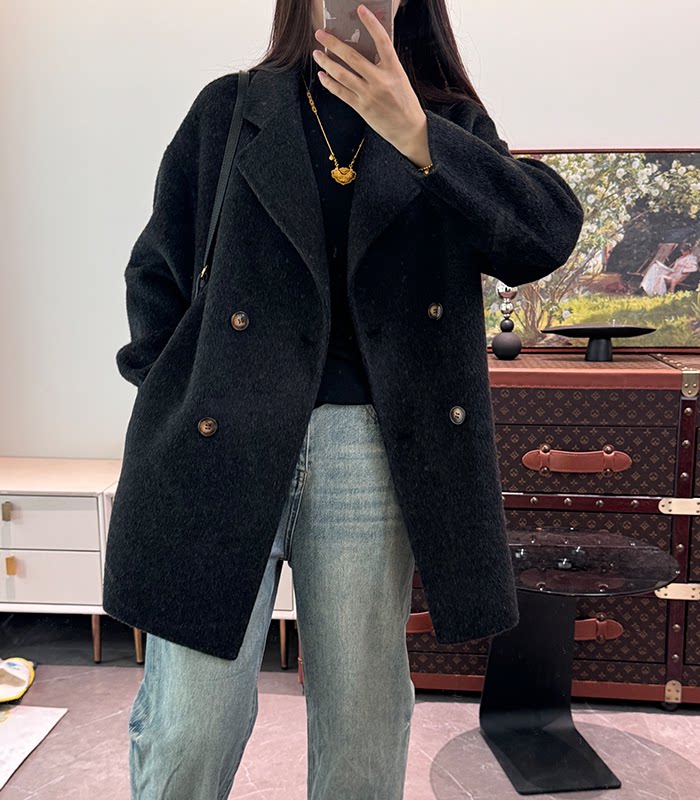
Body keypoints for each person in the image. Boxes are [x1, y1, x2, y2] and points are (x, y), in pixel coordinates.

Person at [103, 1, 584, 798]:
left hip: (370, 449)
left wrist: (417, 134)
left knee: (361, 729)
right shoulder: (230, 108)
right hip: (222, 436)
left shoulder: (446, 121)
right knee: (190, 727)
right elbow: (155, 271)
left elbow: (544, 235)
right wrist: (174, 391)